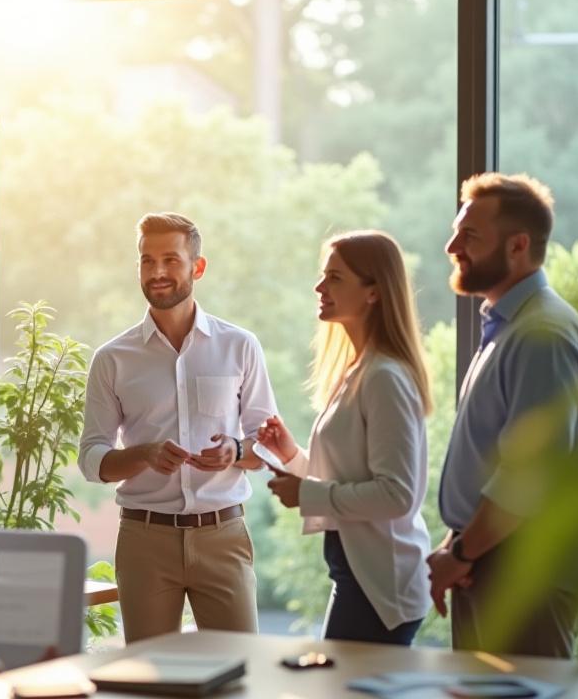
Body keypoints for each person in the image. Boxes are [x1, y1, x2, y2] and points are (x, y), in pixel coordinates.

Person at [79, 211, 279, 644]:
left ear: (197, 267)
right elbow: (92, 460)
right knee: (150, 678)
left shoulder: (239, 346)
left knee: (241, 670)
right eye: (147, 261)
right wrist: (143, 455)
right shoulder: (112, 359)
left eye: (170, 260)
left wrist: (236, 450)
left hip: (223, 536)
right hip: (144, 540)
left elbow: (268, 444)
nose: (158, 272)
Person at [427, 172, 578, 659]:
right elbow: (490, 459)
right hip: (489, 562)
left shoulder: (543, 334)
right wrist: (457, 549)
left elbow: (527, 477)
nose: (451, 246)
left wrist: (458, 555)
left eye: (470, 235)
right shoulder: (510, 326)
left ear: (518, 245)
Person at [258, 230, 433, 646]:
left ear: (373, 292)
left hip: (380, 590)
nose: (319, 287)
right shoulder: (359, 372)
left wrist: (308, 494)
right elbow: (347, 474)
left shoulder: (384, 378)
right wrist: (292, 456)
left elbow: (396, 495)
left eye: (334, 278)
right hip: (358, 581)